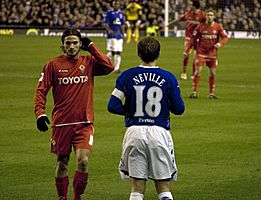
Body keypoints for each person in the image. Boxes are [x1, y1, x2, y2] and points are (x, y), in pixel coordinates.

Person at [34, 28, 114, 200]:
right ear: (62, 45)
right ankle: (62, 197)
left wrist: (92, 46)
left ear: (80, 44)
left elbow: (109, 67)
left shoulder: (89, 62)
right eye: (68, 43)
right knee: (62, 163)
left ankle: (77, 197)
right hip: (61, 124)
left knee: (83, 161)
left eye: (75, 42)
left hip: (84, 123)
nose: (71, 46)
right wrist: (40, 113)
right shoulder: (53, 65)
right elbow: (41, 91)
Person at [107, 37, 185, 200]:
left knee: (136, 188)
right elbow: (179, 109)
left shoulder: (127, 76)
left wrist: (132, 111)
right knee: (164, 188)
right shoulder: (168, 77)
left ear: (138, 54)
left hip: (134, 132)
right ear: (158, 54)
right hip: (159, 132)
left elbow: (112, 105)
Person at [189, 8, 229, 99]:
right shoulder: (200, 26)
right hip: (201, 53)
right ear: (205, 16)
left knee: (212, 73)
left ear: (214, 16)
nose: (209, 17)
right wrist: (189, 49)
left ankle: (211, 93)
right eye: (208, 15)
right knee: (198, 71)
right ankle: (194, 92)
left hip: (212, 54)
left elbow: (225, 38)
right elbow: (193, 38)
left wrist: (220, 43)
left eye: (211, 15)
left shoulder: (218, 26)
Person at [167, 0, 205, 80]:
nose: (189, 7)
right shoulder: (188, 13)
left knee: (196, 57)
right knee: (186, 54)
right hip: (189, 38)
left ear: (194, 6)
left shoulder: (202, 15)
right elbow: (179, 19)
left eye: (191, 5)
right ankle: (184, 73)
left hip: (198, 39)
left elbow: (206, 24)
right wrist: (170, 24)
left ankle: (193, 73)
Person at [103, 0, 126, 73]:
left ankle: (116, 69)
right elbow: (105, 23)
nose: (116, 5)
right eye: (115, 4)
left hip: (119, 35)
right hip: (112, 35)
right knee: (113, 52)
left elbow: (122, 25)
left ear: (119, 5)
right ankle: (103, 64)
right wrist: (109, 30)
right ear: (113, 5)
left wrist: (123, 34)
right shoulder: (109, 13)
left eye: (117, 4)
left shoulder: (121, 13)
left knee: (118, 52)